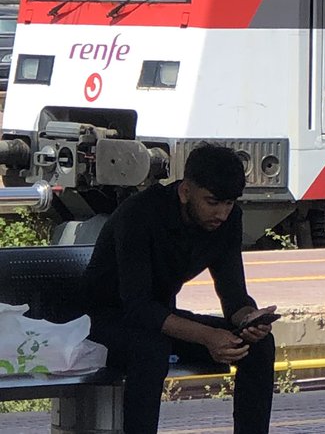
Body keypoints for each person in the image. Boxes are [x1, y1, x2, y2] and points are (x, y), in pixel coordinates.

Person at [84, 143, 276, 433]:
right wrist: (209, 337)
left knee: (257, 346)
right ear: (186, 192)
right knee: (150, 349)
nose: (222, 214)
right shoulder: (139, 214)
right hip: (100, 321)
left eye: (229, 204)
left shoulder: (227, 221)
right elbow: (137, 307)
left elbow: (233, 295)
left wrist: (248, 320)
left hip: (159, 319)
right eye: (212, 202)